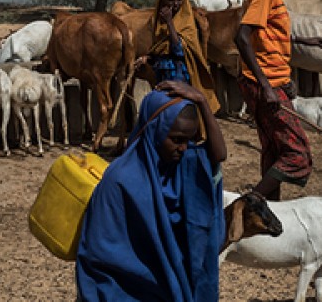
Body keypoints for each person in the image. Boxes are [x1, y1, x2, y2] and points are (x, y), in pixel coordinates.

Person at [76, 80, 227, 301]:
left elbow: (218, 155)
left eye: (188, 140)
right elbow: (99, 251)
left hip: (172, 286)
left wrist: (202, 101)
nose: (183, 148)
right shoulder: (121, 180)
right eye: (176, 140)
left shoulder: (183, 166)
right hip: (126, 290)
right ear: (155, 130)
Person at [234, 0, 322, 200]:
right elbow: (242, 37)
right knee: (297, 154)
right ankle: (252, 202)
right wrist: (267, 86)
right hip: (264, 83)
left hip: (270, 80)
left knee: (274, 150)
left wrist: (301, 41)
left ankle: (270, 207)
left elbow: (265, 34)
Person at [141, 0, 220, 114]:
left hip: (180, 75)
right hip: (162, 74)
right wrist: (147, 58)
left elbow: (178, 50)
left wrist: (170, 23)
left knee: (178, 110)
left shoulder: (187, 22)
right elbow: (159, 49)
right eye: (171, 0)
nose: (175, 4)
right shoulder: (157, 22)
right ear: (163, 0)